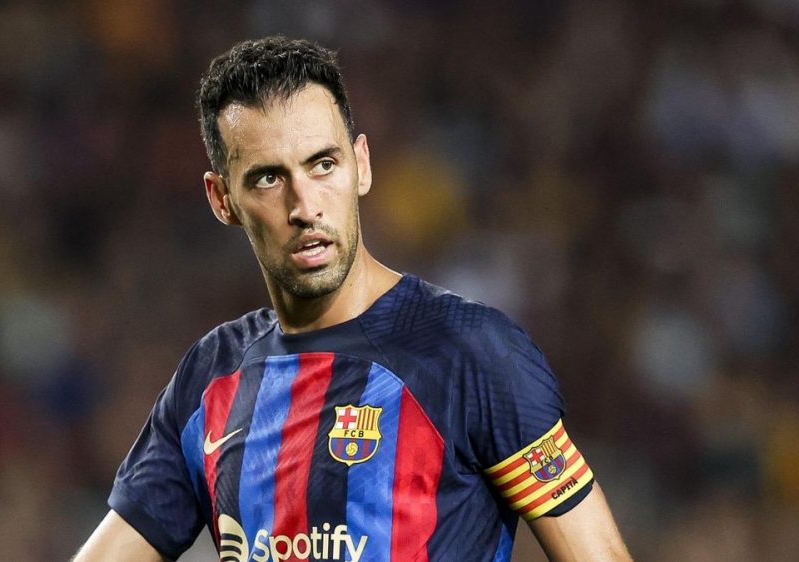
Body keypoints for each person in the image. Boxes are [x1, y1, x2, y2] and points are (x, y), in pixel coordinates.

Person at [74, 36, 631, 562]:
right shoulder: (210, 378)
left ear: (361, 165)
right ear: (222, 200)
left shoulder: (473, 354)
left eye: (323, 164)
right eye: (268, 179)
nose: (305, 206)